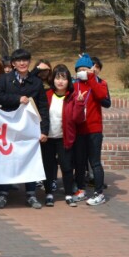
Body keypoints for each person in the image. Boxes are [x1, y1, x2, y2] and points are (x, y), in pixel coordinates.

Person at [0, 48, 51, 210]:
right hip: (9, 127)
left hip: (29, 128)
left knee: (29, 159)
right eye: (19, 60)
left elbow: (43, 107)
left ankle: (31, 194)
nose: (22, 63)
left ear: (29, 62)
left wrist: (44, 131)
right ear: (13, 64)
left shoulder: (36, 82)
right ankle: (3, 193)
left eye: (25, 60)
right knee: (6, 159)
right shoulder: (5, 79)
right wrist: (17, 99)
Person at [72, 54, 110, 206]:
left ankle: (99, 193)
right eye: (80, 69)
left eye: (85, 69)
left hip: (94, 129)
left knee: (95, 162)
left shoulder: (99, 83)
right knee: (79, 162)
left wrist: (92, 77)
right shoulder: (74, 85)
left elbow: (102, 97)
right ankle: (81, 189)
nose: (82, 72)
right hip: (79, 129)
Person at [45, 64, 78, 208]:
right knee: (48, 166)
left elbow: (78, 118)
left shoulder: (72, 96)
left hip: (64, 138)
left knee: (66, 166)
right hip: (47, 138)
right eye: (57, 78)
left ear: (68, 81)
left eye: (64, 78)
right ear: (53, 79)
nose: (60, 81)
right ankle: (48, 193)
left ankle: (69, 194)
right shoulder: (47, 95)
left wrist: (80, 104)